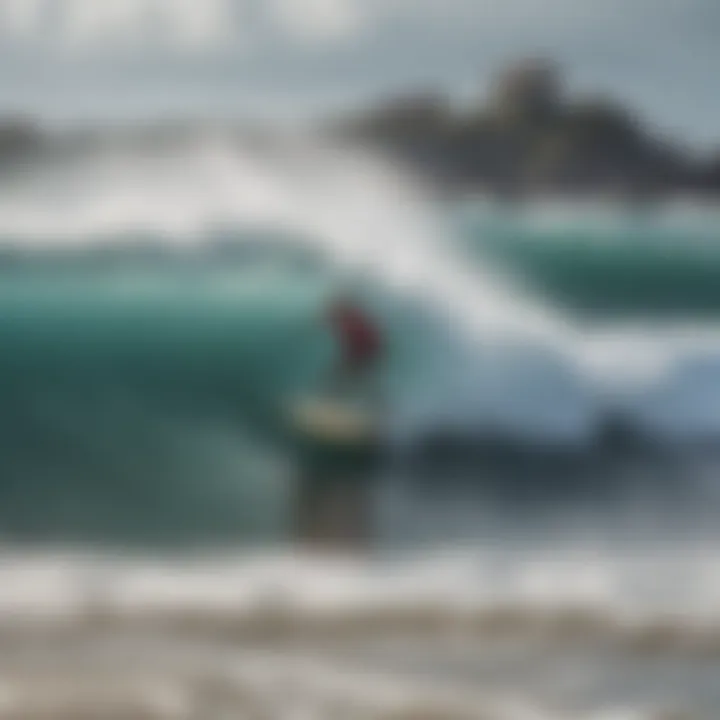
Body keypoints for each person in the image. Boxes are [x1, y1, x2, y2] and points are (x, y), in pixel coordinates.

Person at [325, 297, 383, 396]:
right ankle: (336, 396)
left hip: (366, 352)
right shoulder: (350, 320)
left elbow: (360, 342)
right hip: (366, 351)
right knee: (353, 377)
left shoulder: (349, 322)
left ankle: (333, 396)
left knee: (343, 375)